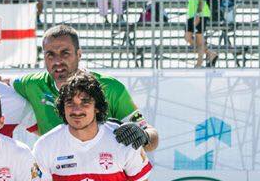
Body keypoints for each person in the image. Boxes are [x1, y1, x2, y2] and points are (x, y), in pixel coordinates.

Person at [12, 24, 160, 151]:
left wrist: (144, 136)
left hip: (104, 180)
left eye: (65, 53)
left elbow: (151, 136)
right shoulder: (31, 84)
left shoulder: (111, 88)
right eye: (50, 55)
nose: (57, 61)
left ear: (79, 54)